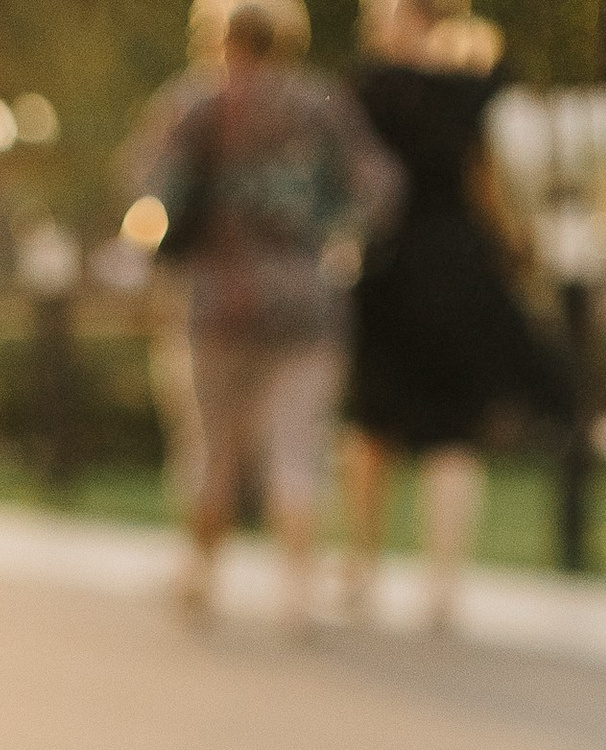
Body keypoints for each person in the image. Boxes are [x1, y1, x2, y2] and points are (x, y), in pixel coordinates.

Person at [133, 0, 394, 632]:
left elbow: (152, 193)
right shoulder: (322, 104)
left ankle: (199, 573)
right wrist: (338, 237)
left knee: (212, 447)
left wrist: (154, 247)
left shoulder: (193, 104)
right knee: (297, 448)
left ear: (217, 37)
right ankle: (296, 590)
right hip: (307, 301)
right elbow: (378, 183)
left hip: (218, 301)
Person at [340, 0, 566, 634]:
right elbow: (490, 184)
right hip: (460, 268)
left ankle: (362, 569)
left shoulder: (368, 91)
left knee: (372, 424)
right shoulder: (475, 91)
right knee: (450, 434)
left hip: (390, 269)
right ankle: (443, 587)